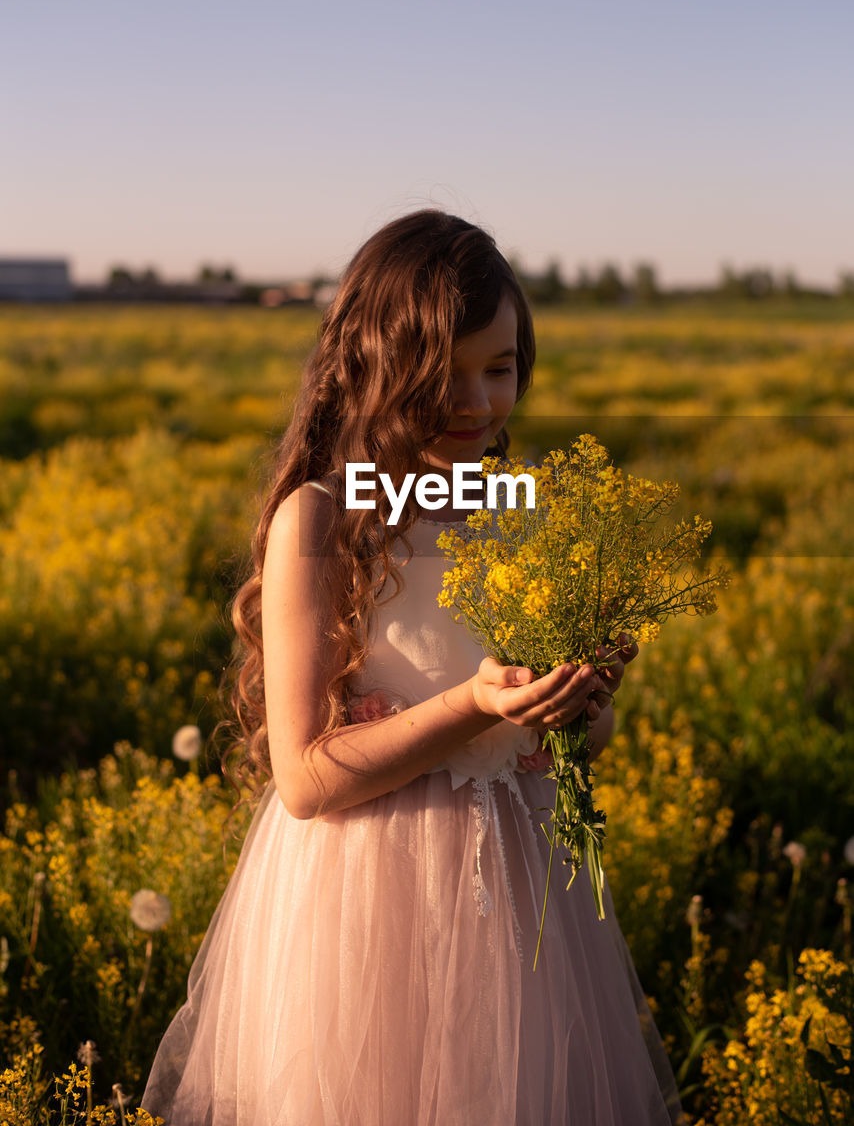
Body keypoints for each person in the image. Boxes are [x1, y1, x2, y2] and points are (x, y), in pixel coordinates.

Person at [142, 210, 684, 1125]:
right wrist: (474, 704)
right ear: (371, 368)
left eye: (500, 369)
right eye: (444, 375)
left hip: (516, 904)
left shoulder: (519, 510)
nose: (477, 401)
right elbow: (308, 780)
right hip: (364, 914)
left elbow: (569, 747)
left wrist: (578, 705)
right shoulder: (321, 521)